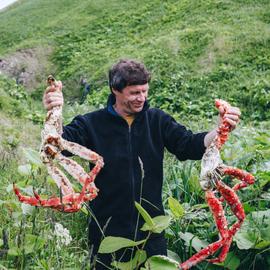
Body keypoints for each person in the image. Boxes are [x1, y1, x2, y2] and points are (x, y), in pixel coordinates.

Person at [43, 59, 241, 269]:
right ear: (115, 90)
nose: (142, 98)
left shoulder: (157, 120)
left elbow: (189, 145)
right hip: (106, 232)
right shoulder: (90, 123)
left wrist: (221, 130)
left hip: (151, 229)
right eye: (134, 93)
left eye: (145, 91)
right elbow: (58, 144)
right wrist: (53, 112)